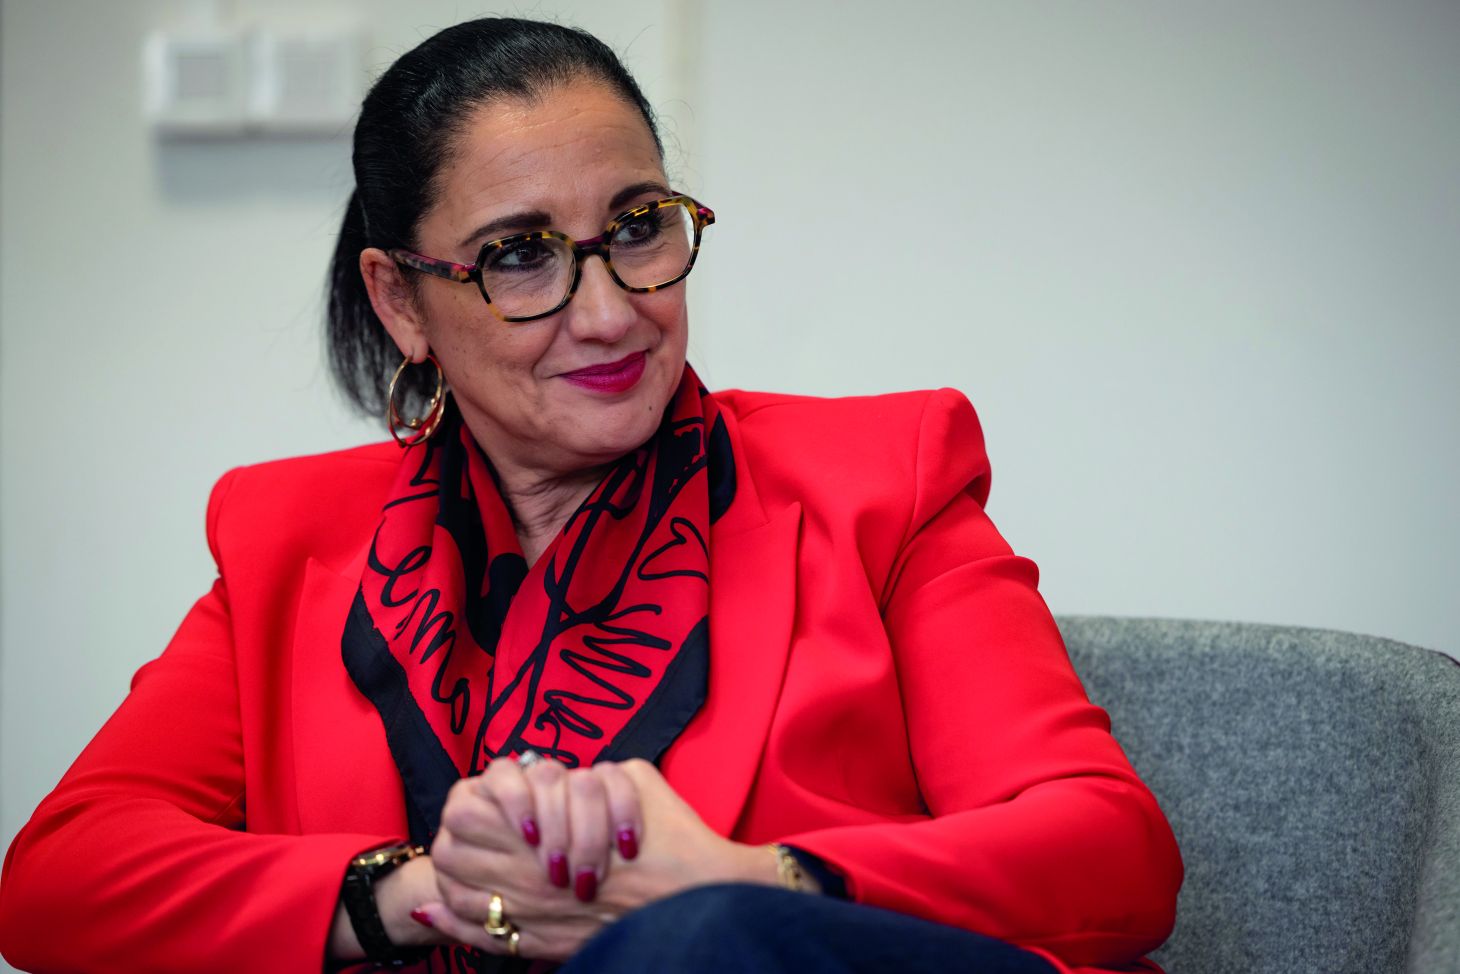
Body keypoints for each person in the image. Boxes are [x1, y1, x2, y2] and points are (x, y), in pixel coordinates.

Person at [0, 16, 1181, 974]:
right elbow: (62, 878)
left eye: (636, 227)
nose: (611, 310)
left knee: (694, 942)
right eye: (519, 252)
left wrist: (739, 877)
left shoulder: (884, 478)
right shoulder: (289, 541)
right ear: (401, 301)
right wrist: (425, 892)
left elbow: (1109, 852)